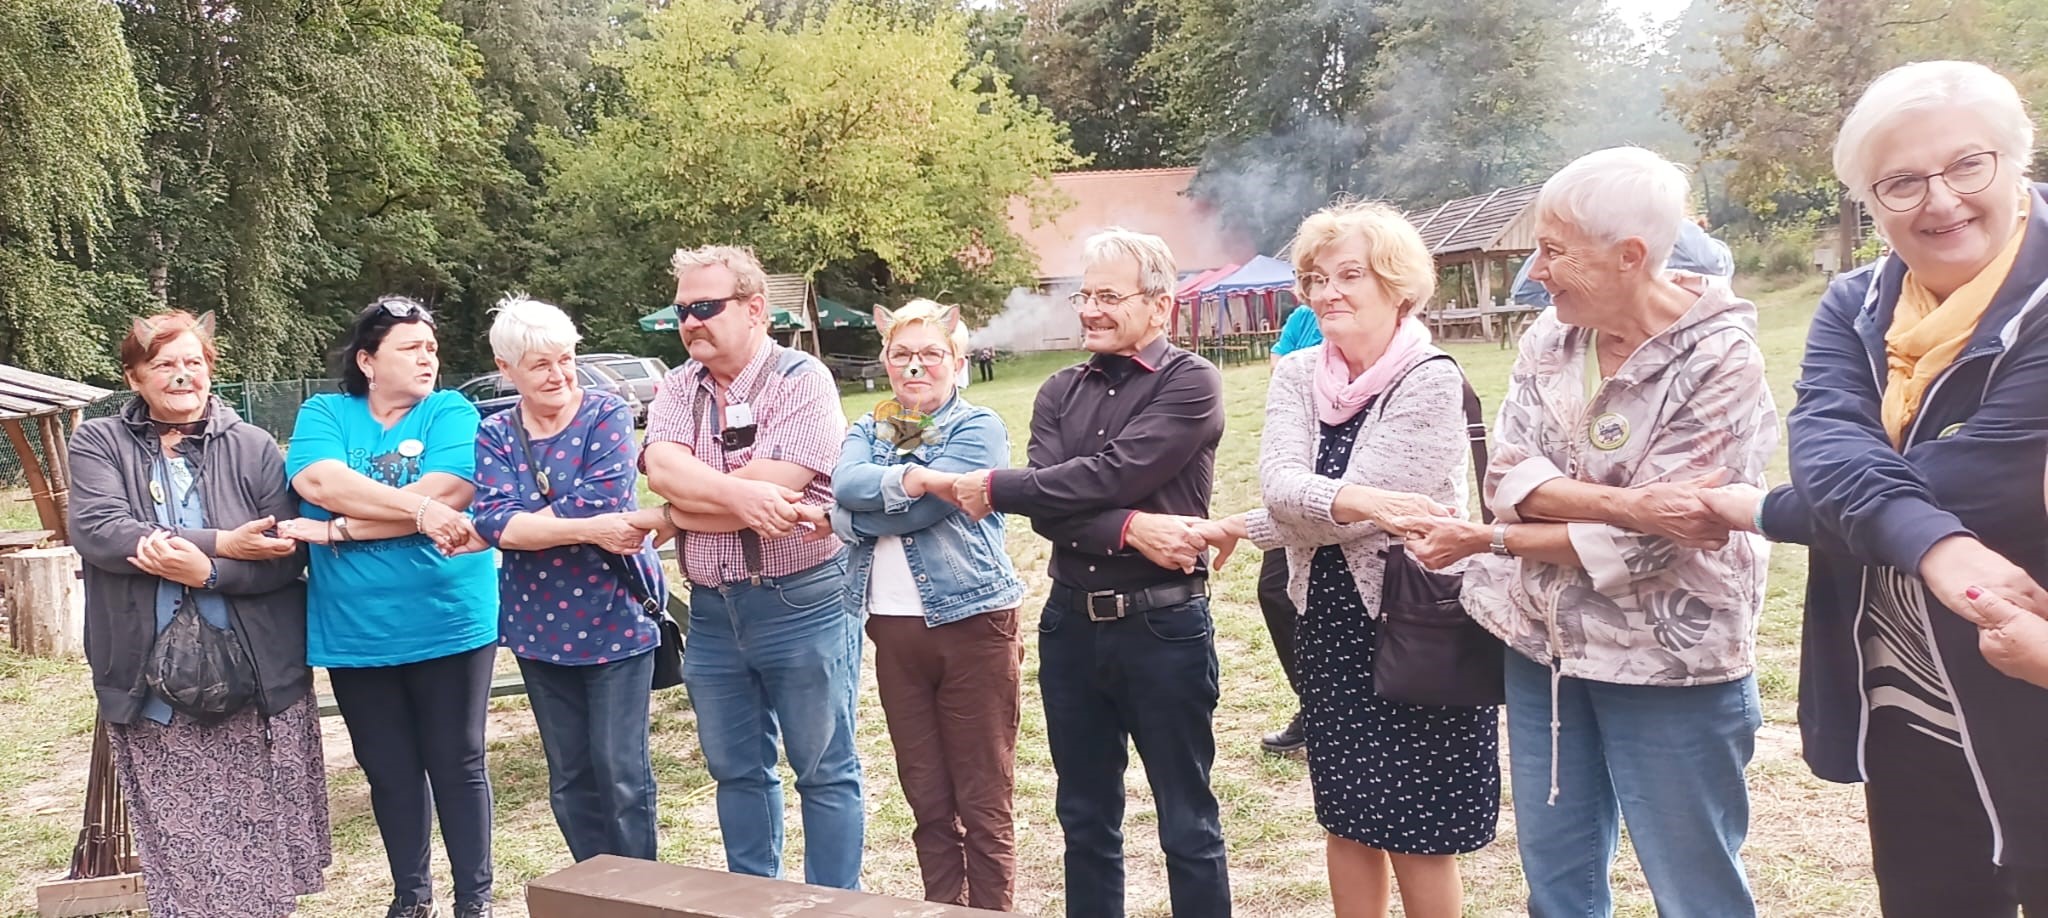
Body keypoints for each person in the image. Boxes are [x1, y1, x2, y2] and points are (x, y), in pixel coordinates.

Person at [1695, 61, 2048, 914]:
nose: (1940, 201)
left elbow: (1993, 472)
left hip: (2027, 676)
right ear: (1869, 200)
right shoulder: (1857, 302)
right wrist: (1943, 542)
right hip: (1906, 693)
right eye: (1901, 182)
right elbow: (1822, 448)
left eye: (1970, 164)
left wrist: (1772, 509)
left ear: (2019, 159)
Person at [1398, 147, 1779, 918]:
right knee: (1557, 883)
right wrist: (1631, 504)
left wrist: (1535, 519)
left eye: (1553, 250)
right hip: (1545, 652)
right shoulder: (1551, 335)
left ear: (1630, 256)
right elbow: (1504, 479)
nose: (1536, 269)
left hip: (1673, 664)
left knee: (1695, 887)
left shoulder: (1722, 360)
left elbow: (1664, 543)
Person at [1198, 202, 1499, 918]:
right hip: (1329, 627)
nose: (1327, 292)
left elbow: (1315, 513)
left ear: (1397, 284)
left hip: (1413, 629)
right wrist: (1330, 507)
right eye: (1314, 278)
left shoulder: (1430, 379)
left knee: (1420, 832)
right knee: (1347, 817)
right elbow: (1285, 489)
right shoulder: (1299, 372)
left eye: (1348, 275)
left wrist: (1316, 510)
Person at [945, 228, 1230, 917]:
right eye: (1085, 295)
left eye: (1109, 296)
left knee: (1187, 822)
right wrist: (1131, 527)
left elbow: (1112, 473)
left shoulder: (1191, 382)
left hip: (1163, 627)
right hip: (1070, 626)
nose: (1090, 309)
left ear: (1159, 307)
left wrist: (1000, 486)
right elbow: (1052, 504)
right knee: (1083, 817)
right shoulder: (1057, 392)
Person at [68, 310, 330, 917]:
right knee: (184, 855)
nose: (181, 375)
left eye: (193, 362)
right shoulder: (99, 441)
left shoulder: (254, 446)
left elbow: (283, 556)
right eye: (164, 364)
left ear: (210, 370)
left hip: (253, 680)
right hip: (150, 682)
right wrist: (223, 544)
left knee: (261, 846)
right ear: (135, 377)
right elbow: (101, 529)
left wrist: (209, 571)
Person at [639, 245, 860, 888]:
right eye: (681, 310)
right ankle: (754, 899)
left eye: (705, 307)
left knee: (823, 767)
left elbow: (779, 488)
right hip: (710, 608)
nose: (690, 323)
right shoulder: (679, 385)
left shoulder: (803, 379)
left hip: (803, 599)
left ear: (756, 308)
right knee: (734, 770)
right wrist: (735, 497)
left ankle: (829, 907)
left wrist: (682, 511)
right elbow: (665, 470)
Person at [277, 297, 500, 918]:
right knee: (388, 767)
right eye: (411, 347)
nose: (428, 357)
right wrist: (418, 511)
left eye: (431, 347)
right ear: (368, 361)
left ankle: (473, 901)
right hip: (355, 629)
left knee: (458, 760)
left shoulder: (451, 410)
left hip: (449, 618)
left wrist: (337, 531)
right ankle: (412, 897)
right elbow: (317, 482)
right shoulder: (325, 411)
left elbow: (454, 489)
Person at [830, 299, 1028, 910]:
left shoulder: (979, 427)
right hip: (893, 632)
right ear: (886, 361)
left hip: (973, 625)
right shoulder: (870, 428)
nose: (915, 367)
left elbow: (919, 513)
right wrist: (912, 477)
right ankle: (942, 906)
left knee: (982, 796)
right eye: (902, 355)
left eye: (931, 354)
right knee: (926, 795)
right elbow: (842, 488)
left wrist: (872, 506)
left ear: (957, 361)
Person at [466, 296, 673, 863]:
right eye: (540, 364)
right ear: (506, 370)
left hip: (617, 616)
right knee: (570, 778)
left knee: (622, 773)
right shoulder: (493, 433)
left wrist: (524, 524)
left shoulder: (605, 412)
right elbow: (491, 521)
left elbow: (601, 499)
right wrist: (573, 526)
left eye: (565, 359)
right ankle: (593, 888)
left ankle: (641, 894)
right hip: (538, 628)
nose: (558, 374)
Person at [1254, 300, 1326, 754]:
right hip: (1297, 477)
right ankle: (1315, 704)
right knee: (1276, 589)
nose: (1323, 289)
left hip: (1345, 484)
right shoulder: (1304, 318)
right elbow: (1281, 368)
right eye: (1315, 278)